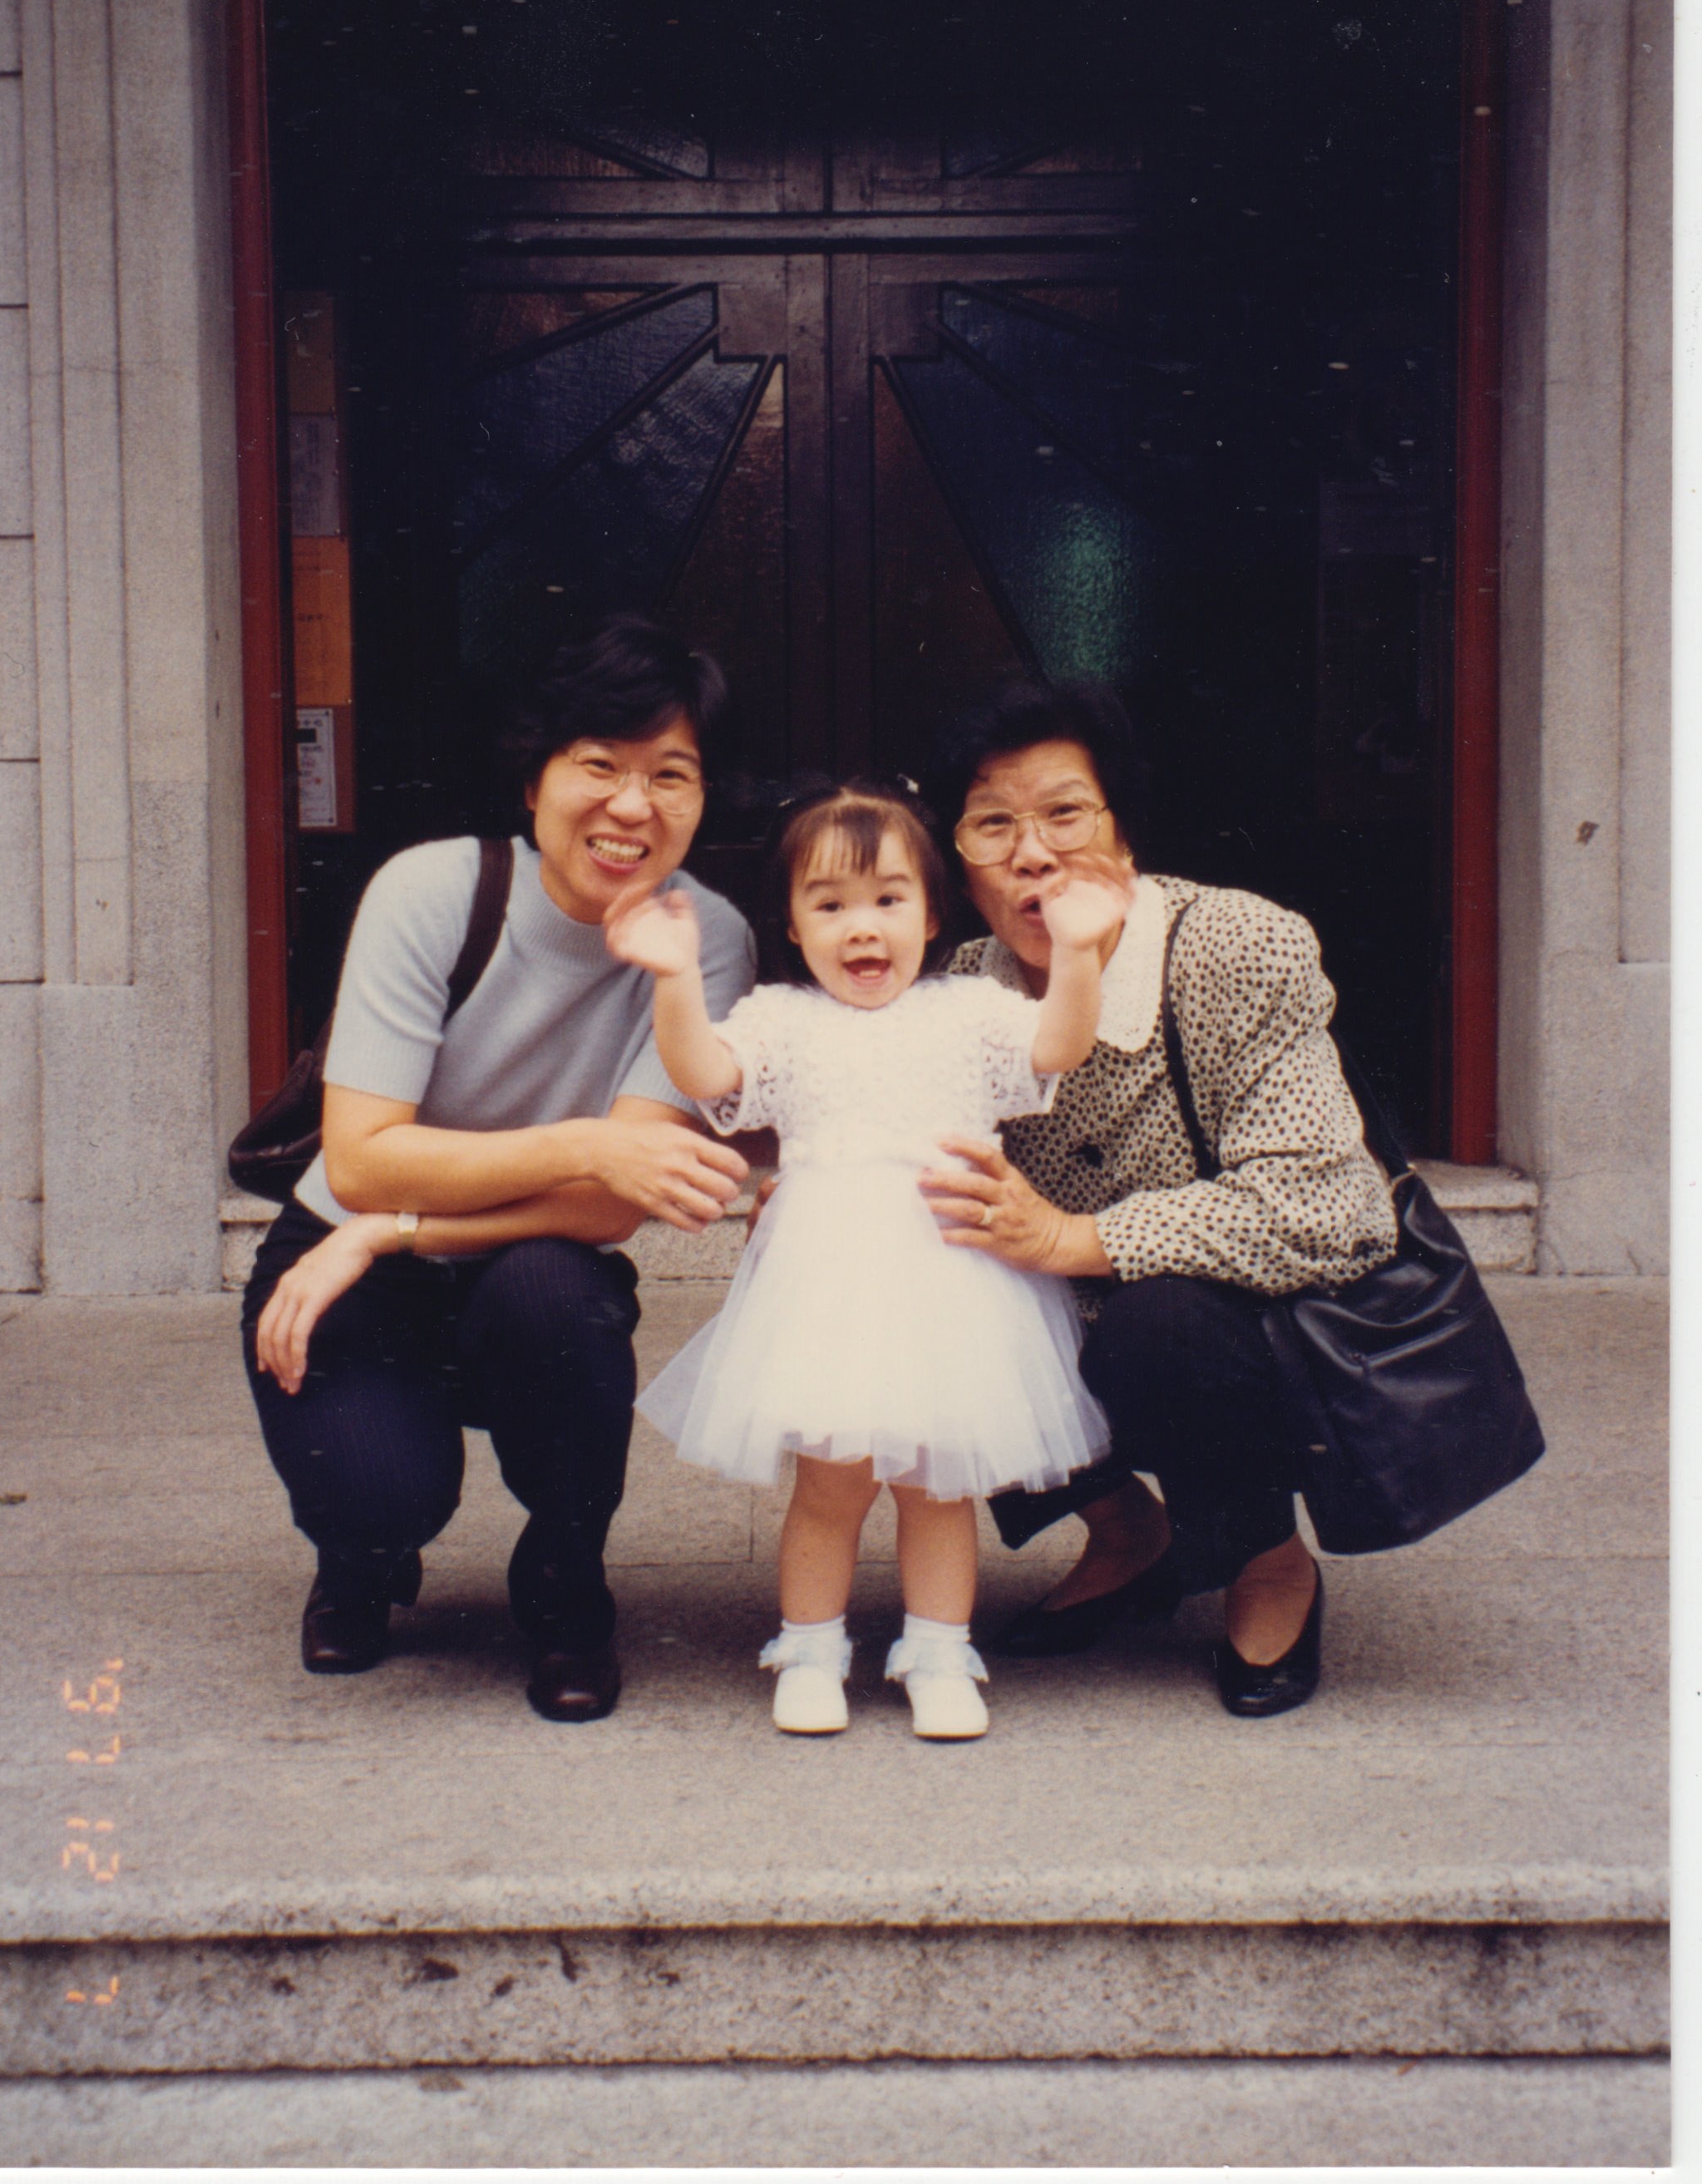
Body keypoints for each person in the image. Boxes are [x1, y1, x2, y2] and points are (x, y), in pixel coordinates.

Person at [241, 618, 756, 1723]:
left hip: (507, 1255)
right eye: (599, 764)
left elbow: (612, 1206)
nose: (632, 806)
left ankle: (566, 1583)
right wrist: (584, 1141)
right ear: (534, 779)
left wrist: (393, 1227)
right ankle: (360, 1558)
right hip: (339, 1263)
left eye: (670, 774)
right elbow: (363, 1158)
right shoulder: (431, 890)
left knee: (558, 1300)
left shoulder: (705, 939)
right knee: (380, 1492)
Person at [917, 680, 1399, 1718]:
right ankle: (1127, 1530)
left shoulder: (1237, 945)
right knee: (907, 1273)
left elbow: (1326, 1202)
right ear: (959, 862)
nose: (1031, 855)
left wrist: (1077, 1238)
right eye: (992, 825)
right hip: (1076, 1318)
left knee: (1160, 1321)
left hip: (1234, 1324)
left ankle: (1268, 1559)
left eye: (1064, 814)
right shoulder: (966, 984)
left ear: (1124, 835)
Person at [604, 778, 1121, 1741]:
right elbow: (705, 1071)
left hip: (951, 1282)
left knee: (939, 1484)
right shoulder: (783, 1017)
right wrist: (672, 978)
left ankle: (939, 1651)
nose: (862, 927)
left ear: (932, 913)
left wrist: (1079, 952)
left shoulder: (971, 1009)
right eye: (830, 905)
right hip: (831, 1288)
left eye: (888, 899)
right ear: (793, 927)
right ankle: (810, 1650)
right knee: (830, 1483)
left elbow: (1060, 1043)